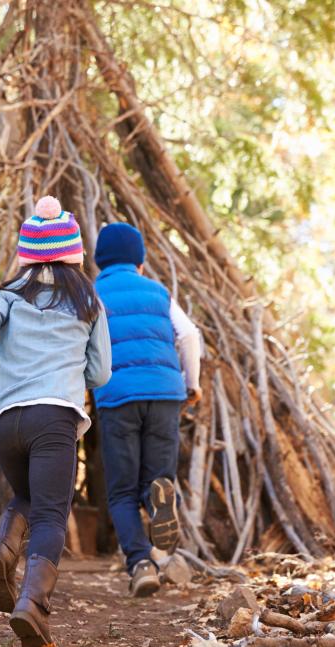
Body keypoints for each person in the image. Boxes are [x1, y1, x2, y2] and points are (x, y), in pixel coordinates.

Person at [0, 196, 111, 647]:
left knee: (28, 497)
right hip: (54, 416)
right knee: (52, 512)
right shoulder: (88, 300)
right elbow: (101, 373)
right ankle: (32, 603)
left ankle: (1, 551)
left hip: (3, 420)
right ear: (73, 254)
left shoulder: (7, 295)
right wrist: (75, 375)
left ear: (27, 255)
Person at [91, 222, 202, 598]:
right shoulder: (158, 292)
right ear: (140, 261)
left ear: (99, 261)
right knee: (156, 478)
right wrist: (192, 383)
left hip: (117, 396)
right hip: (165, 394)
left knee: (121, 491)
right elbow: (187, 334)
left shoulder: (94, 294)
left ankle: (140, 563)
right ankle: (158, 499)